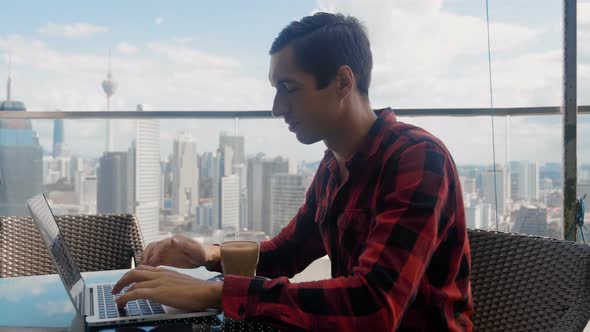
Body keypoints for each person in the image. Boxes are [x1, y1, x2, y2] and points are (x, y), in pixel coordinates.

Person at [113, 12, 473, 331]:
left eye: (289, 88)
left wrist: (214, 293)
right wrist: (208, 255)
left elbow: (375, 306)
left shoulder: (418, 159)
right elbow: (287, 253)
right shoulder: (334, 165)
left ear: (342, 82)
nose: (276, 108)